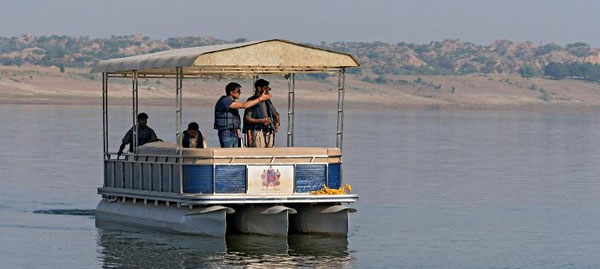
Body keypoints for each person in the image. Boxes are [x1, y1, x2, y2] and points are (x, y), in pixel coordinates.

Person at [214, 82, 272, 148]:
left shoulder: (232, 102)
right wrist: (260, 99)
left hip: (234, 133)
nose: (240, 93)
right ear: (231, 92)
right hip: (226, 132)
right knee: (228, 153)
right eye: (238, 91)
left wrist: (238, 134)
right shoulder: (225, 101)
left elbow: (236, 120)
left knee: (235, 154)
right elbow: (244, 105)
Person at [243, 79, 280, 147]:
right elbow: (247, 119)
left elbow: (276, 114)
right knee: (259, 153)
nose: (267, 91)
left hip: (269, 131)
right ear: (259, 88)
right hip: (258, 131)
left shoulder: (267, 101)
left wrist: (277, 123)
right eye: (265, 88)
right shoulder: (251, 101)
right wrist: (261, 121)